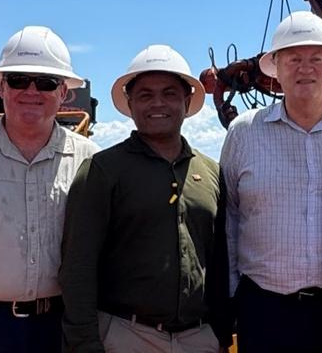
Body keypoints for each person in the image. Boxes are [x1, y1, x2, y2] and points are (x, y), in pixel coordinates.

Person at [59, 44, 231, 353]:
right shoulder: (102, 171)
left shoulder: (211, 173)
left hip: (199, 338)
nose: (157, 104)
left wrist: (220, 333)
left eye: (169, 93)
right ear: (130, 102)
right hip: (126, 336)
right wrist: (85, 343)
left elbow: (219, 262)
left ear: (187, 100)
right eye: (145, 95)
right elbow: (78, 266)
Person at [220, 11, 322, 353]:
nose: (305, 68)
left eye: (316, 59)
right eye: (294, 59)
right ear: (276, 70)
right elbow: (228, 221)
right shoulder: (244, 133)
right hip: (265, 309)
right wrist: (231, 298)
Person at [0, 25, 100, 353]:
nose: (31, 91)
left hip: (60, 327)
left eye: (45, 83)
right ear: (1, 87)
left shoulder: (90, 158)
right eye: (18, 80)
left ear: (64, 93)